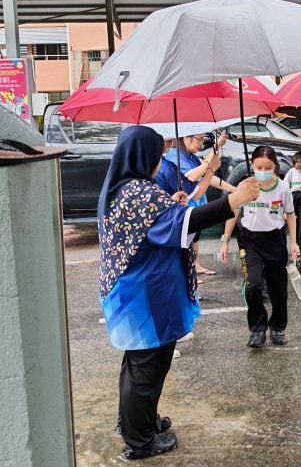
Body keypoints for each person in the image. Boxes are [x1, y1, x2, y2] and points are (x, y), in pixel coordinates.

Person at [98, 127, 260, 461]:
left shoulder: (123, 187)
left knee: (140, 365)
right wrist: (235, 200)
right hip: (146, 297)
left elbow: (160, 222)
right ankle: (139, 442)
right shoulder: (139, 193)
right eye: (157, 155)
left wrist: (171, 205)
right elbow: (185, 222)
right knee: (146, 369)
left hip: (137, 291)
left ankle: (139, 422)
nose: (160, 161)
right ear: (143, 157)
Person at [219, 146, 300, 347]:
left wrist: (293, 241)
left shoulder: (282, 188)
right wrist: (225, 240)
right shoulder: (245, 186)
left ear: (275, 167)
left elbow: (290, 214)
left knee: (278, 289)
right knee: (252, 285)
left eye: (268, 167)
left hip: (275, 240)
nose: (263, 170)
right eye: (259, 167)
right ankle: (257, 329)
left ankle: (278, 327)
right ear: (252, 166)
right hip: (249, 241)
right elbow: (234, 211)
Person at [155, 132, 236, 279]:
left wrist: (232, 189)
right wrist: (209, 165)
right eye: (199, 139)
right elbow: (195, 181)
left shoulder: (190, 156)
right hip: (184, 208)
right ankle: (190, 276)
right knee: (186, 245)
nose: (201, 144)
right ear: (186, 137)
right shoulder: (174, 158)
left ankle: (194, 270)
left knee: (194, 241)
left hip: (191, 204)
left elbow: (206, 178)